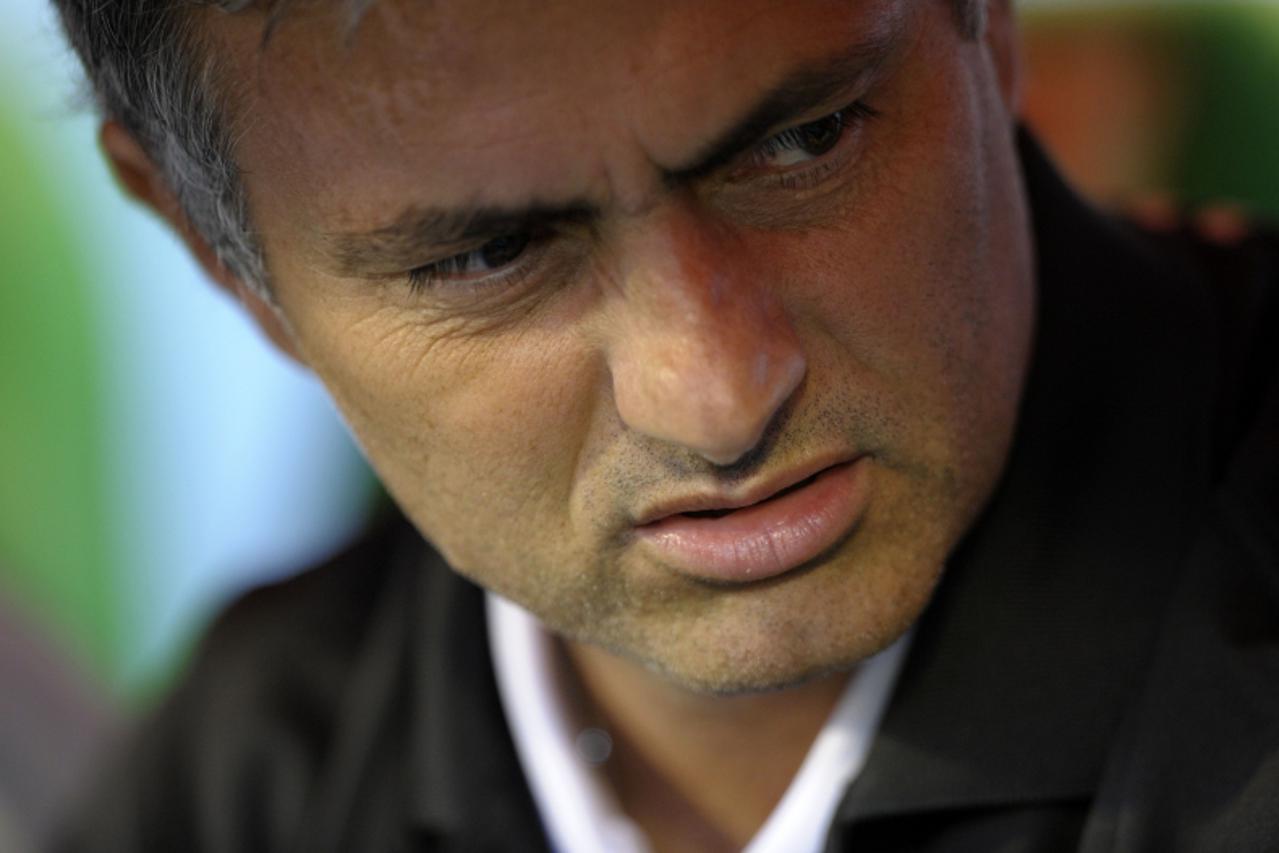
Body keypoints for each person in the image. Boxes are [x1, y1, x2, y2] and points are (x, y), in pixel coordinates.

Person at [49, 0, 1278, 850]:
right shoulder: (244, 778)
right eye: (492, 255)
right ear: (226, 263)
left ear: (987, 20)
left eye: (804, 142)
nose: (718, 393)